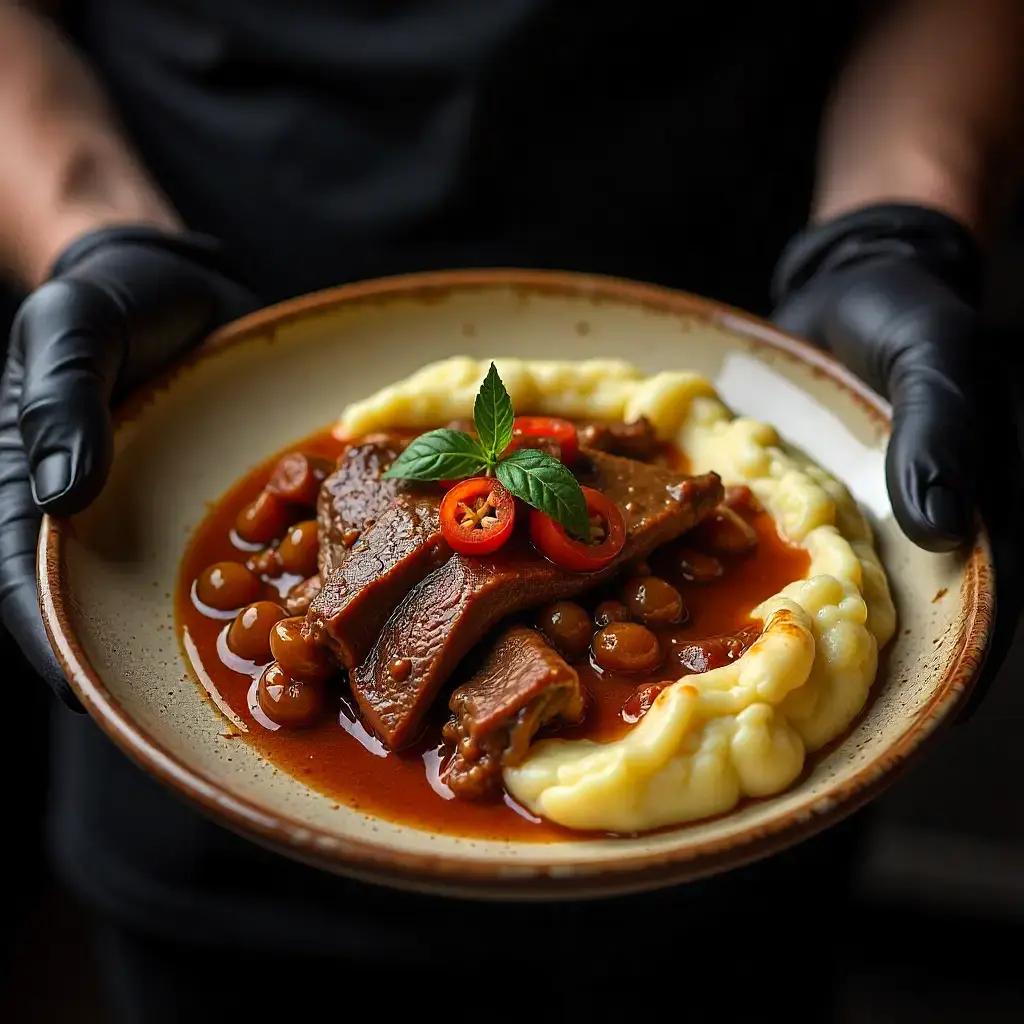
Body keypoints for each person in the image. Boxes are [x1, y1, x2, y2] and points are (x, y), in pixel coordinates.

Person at [1, 1, 1022, 1020]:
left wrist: (895, 221)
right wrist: (81, 222)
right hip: (203, 331)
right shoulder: (301, 578)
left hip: (736, 318)